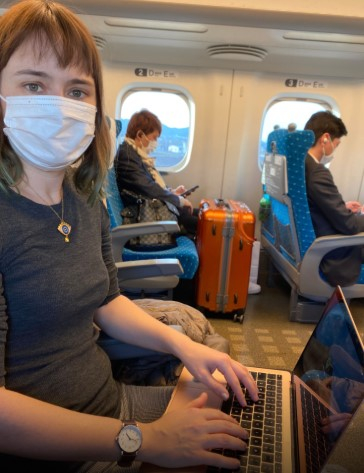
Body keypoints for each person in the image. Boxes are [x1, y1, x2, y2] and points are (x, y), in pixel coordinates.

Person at [0, 1, 259, 472]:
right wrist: (146, 441)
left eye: (77, 90)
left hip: (109, 403)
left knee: (232, 412)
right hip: (53, 446)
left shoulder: (82, 198)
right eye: (34, 85)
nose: (60, 105)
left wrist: (185, 346)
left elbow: (107, 300)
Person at [114, 109, 198, 238]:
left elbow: (148, 185)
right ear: (140, 135)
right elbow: (147, 187)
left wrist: (172, 192)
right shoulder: (127, 156)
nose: (156, 143)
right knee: (204, 223)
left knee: (202, 214)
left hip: (151, 206)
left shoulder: (135, 154)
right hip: (144, 214)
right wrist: (177, 200)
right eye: (154, 138)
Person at [304, 111, 364, 286]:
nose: (334, 149)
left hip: (322, 232)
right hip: (335, 251)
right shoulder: (318, 173)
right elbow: (349, 226)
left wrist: (343, 206)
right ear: (325, 138)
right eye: (336, 144)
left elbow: (315, 205)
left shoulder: (302, 165)